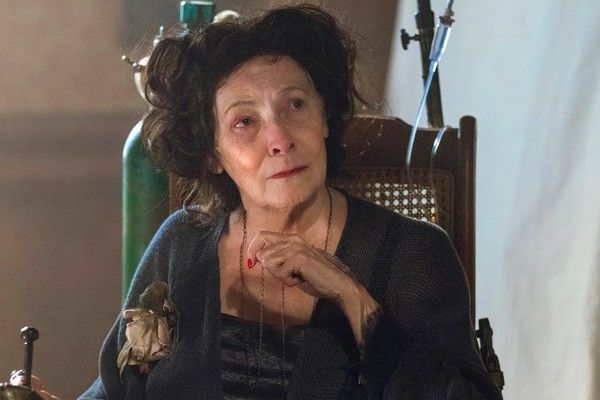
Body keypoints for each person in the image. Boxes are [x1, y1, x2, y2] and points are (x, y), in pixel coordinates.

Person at [76, 4, 502, 399]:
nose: (279, 138)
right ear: (212, 154)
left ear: (324, 118)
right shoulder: (182, 242)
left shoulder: (415, 254)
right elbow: (115, 390)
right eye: (245, 121)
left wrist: (350, 296)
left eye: (295, 104)